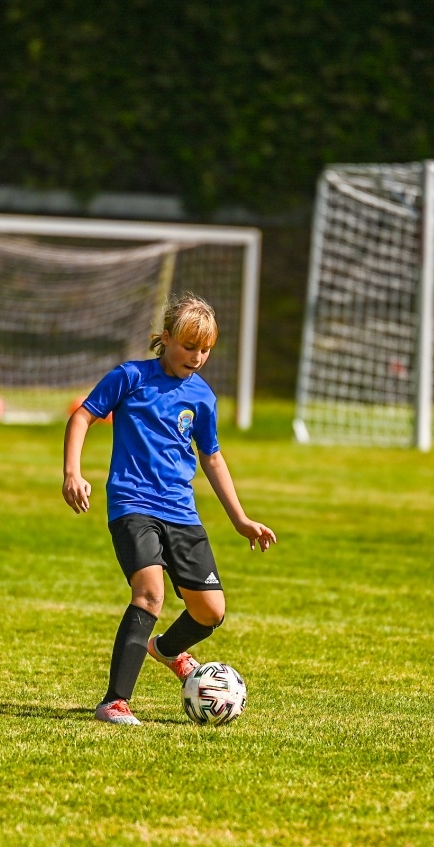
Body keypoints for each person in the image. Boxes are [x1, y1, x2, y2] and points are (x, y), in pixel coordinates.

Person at [63, 293, 276, 726]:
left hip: (181, 512)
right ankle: (114, 702)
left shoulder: (203, 398)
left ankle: (164, 649)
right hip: (132, 502)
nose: (196, 357)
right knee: (150, 593)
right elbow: (83, 416)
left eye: (205, 349)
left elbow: (211, 457)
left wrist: (241, 519)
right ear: (165, 338)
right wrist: (73, 472)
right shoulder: (130, 377)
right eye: (188, 346)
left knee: (211, 611)